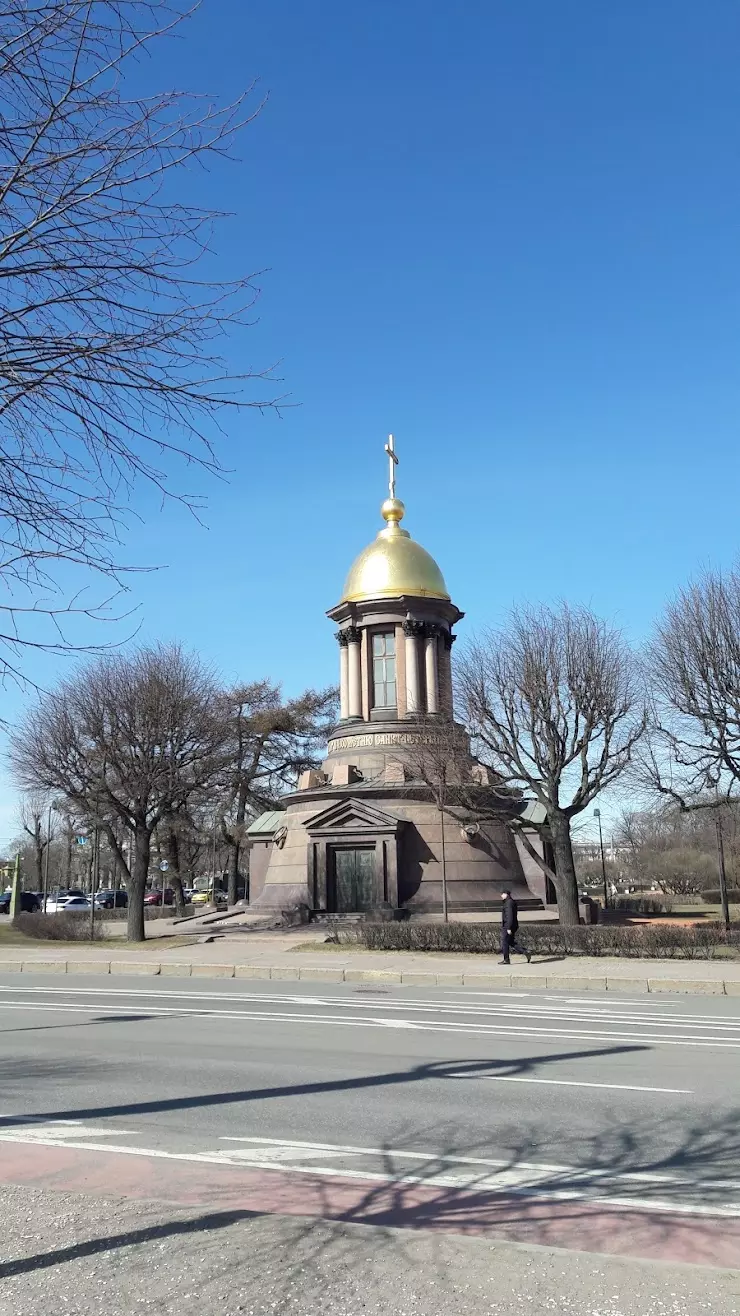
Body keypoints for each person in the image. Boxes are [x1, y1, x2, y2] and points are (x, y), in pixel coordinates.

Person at [499, 889, 532, 964]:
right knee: (510, 941)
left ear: (506, 894)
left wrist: (508, 928)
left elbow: (509, 916)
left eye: (502, 894)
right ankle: (526, 951)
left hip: (508, 925)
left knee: (505, 942)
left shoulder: (508, 903)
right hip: (512, 925)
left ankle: (506, 959)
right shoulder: (510, 902)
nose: (501, 896)